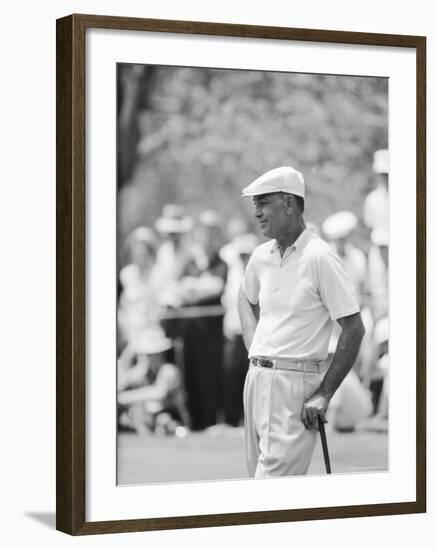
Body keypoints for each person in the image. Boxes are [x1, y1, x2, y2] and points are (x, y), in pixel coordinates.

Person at [238, 166, 365, 477]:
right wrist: (254, 347)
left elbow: (354, 327)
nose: (257, 213)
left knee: (272, 493)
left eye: (263, 203)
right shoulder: (261, 256)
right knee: (255, 490)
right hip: (256, 380)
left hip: (294, 386)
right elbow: (244, 298)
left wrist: (325, 392)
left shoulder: (320, 257)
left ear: (290, 204)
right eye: (256, 204)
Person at [118, 328, 189, 436]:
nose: (148, 358)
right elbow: (120, 383)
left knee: (164, 420)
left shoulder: (169, 370)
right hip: (150, 418)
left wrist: (123, 398)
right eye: (146, 354)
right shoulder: (142, 373)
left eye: (151, 354)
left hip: (172, 418)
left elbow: (159, 393)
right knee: (132, 415)